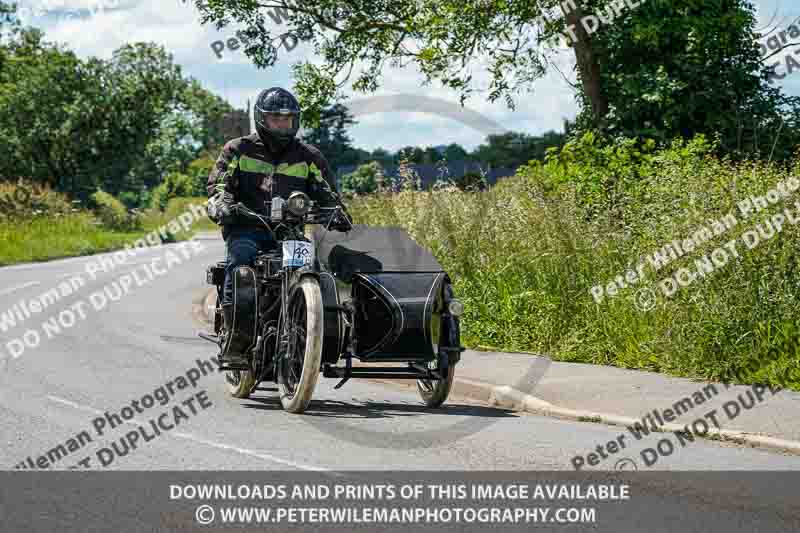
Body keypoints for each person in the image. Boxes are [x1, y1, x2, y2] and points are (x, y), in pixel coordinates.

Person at [207, 86, 347, 367]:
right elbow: (218, 185)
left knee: (315, 273)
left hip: (290, 233)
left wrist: (337, 212)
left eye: (288, 119)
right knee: (241, 266)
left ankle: (317, 340)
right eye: (276, 119)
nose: (283, 124)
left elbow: (327, 192)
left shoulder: (308, 156)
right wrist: (222, 203)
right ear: (261, 119)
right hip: (247, 229)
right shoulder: (238, 150)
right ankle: (237, 341)